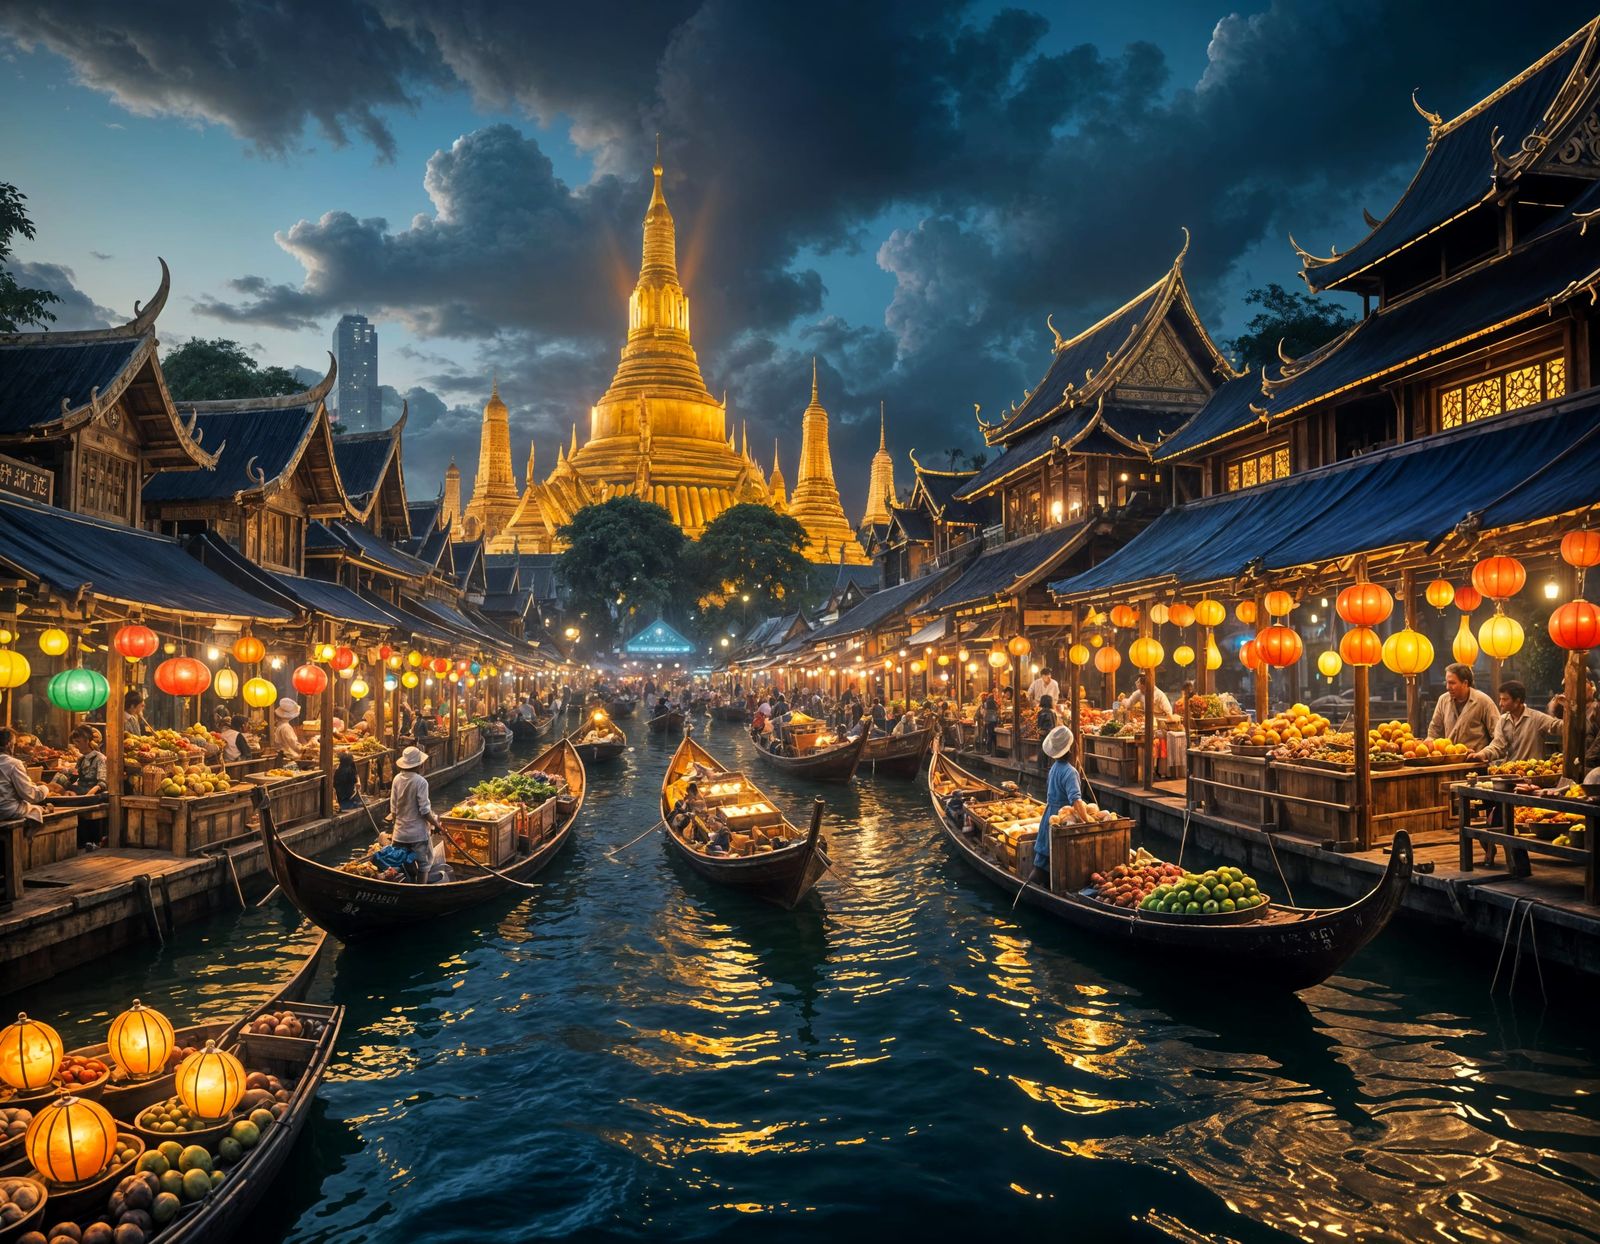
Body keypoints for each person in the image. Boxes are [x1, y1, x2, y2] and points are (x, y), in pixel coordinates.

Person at [1030, 726, 1092, 887]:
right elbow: (1076, 800)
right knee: (1055, 860)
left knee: (1044, 859)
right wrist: (1088, 822)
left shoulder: (1055, 768)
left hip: (1050, 815)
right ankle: (1037, 887)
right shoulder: (1070, 772)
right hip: (1062, 819)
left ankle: (1038, 886)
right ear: (1071, 748)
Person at [389, 746, 444, 882]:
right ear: (419, 765)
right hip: (417, 834)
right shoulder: (421, 782)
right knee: (424, 865)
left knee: (403, 862)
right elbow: (425, 812)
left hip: (399, 834)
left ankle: (410, 883)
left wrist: (398, 827)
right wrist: (437, 826)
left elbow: (393, 811)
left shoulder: (396, 779)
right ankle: (420, 889)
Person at [1475, 680, 1561, 763]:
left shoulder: (1537, 718)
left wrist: (1559, 708)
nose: (1500, 704)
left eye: (1505, 699)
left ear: (1517, 701)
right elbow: (1497, 745)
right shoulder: (1503, 720)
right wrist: (1483, 754)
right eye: (1500, 699)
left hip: (1532, 770)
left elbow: (1558, 726)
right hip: (1510, 770)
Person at [1426, 663, 1498, 752]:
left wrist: (1484, 754)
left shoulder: (1483, 701)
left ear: (1465, 683)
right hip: (1450, 757)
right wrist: (1430, 740)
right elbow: (1434, 730)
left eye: (1452, 683)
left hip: (1476, 758)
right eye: (1446, 682)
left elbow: (1498, 737)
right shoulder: (1443, 700)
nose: (1447, 687)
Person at [0, 727, 50, 824]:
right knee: (39, 810)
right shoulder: (13, 764)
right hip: (7, 811)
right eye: (14, 744)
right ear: (9, 745)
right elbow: (29, 795)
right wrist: (46, 788)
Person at [52, 726, 106, 797]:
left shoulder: (99, 758)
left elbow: (102, 783)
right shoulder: (81, 759)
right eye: (74, 742)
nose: (76, 746)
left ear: (87, 741)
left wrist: (88, 795)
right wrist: (61, 785)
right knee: (59, 777)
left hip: (91, 793)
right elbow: (75, 775)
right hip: (79, 790)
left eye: (78, 741)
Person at [1034, 694, 1057, 774]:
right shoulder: (1053, 712)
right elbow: (1054, 725)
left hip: (1043, 735)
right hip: (1051, 735)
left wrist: (1039, 731)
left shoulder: (1040, 712)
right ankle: (1048, 768)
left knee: (1042, 751)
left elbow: (1039, 725)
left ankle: (1041, 768)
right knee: (1049, 753)